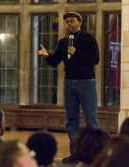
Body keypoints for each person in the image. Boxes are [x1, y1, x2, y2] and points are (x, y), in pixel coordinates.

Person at [35, 11, 100, 163]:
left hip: (86, 82)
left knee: (91, 120)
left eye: (71, 21)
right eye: (66, 22)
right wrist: (46, 55)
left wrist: (77, 52)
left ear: (80, 23)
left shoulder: (88, 38)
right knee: (71, 121)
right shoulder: (63, 42)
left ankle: (95, 155)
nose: (68, 24)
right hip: (69, 83)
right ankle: (75, 154)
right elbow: (55, 61)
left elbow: (95, 59)